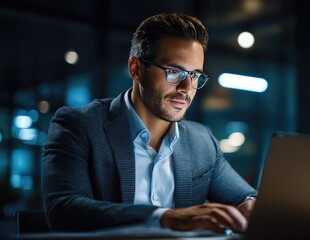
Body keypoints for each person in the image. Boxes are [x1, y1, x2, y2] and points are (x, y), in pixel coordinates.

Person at [42, 12, 257, 233]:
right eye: (174, 72)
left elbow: (244, 197)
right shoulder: (79, 126)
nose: (186, 88)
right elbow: (63, 210)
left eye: (194, 75)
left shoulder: (202, 141)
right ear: (136, 69)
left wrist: (252, 208)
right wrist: (165, 218)